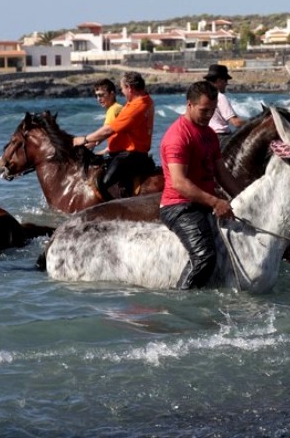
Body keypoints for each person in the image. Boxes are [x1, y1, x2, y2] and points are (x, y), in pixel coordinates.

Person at [159, 80, 242, 290]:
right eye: (204, 111)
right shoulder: (178, 136)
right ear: (189, 105)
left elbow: (222, 174)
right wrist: (215, 202)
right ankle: (181, 301)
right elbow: (179, 182)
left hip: (204, 202)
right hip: (179, 206)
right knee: (204, 256)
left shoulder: (210, 134)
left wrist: (244, 199)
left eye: (213, 111)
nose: (208, 116)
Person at [73, 71, 155, 199]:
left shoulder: (135, 107)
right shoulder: (146, 100)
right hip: (135, 153)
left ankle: (113, 211)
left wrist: (83, 139)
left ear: (129, 87)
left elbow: (108, 130)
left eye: (122, 88)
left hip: (130, 156)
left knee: (103, 184)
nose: (122, 92)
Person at [203, 64, 245, 146]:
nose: (226, 84)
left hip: (206, 137)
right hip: (220, 137)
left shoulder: (203, 95)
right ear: (219, 80)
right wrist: (257, 123)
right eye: (226, 81)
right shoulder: (220, 97)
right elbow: (236, 122)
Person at [93, 78, 123, 154]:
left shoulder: (114, 109)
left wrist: (85, 140)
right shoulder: (117, 107)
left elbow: (105, 132)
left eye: (101, 95)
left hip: (122, 154)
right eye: (96, 96)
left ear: (112, 94)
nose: (98, 99)